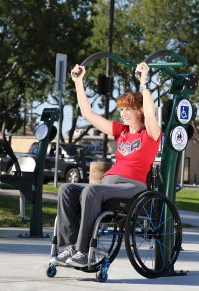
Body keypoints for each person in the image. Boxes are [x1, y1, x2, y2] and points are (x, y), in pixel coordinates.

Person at [50, 61, 161, 268]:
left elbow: (151, 112)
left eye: (127, 109)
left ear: (139, 111)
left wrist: (144, 82)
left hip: (132, 186)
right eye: (121, 109)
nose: (123, 113)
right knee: (66, 188)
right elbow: (88, 114)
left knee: (91, 192)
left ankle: (82, 251)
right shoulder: (121, 132)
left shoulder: (151, 134)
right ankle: (68, 248)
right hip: (108, 183)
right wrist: (78, 82)